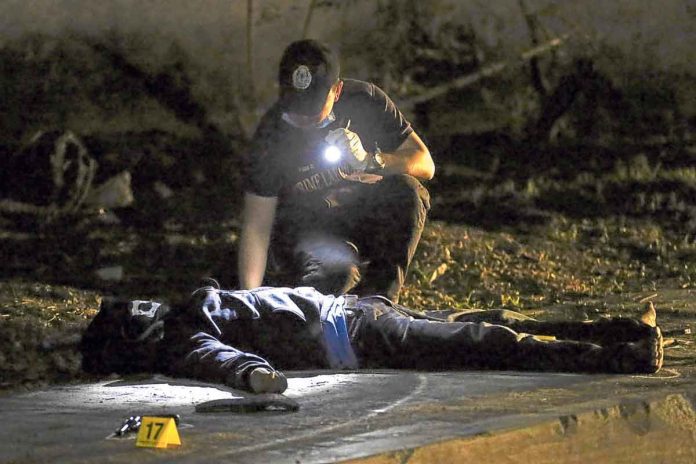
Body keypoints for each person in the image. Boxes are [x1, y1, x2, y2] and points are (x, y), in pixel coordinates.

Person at [81, 285, 664, 395]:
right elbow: (222, 359)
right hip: (355, 335)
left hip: (357, 313)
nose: (140, 302)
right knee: (486, 339)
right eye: (132, 312)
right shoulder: (182, 338)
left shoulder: (185, 307)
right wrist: (255, 376)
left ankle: (623, 333)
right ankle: (623, 356)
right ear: (141, 336)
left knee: (489, 323)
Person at [238, 39, 434, 303]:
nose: (304, 119)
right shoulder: (271, 136)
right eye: (296, 108)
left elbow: (425, 163)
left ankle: (379, 303)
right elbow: (256, 227)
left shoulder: (365, 100)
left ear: (337, 91)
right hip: (310, 229)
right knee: (335, 277)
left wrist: (371, 160)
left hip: (362, 215)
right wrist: (249, 298)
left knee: (408, 192)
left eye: (314, 110)